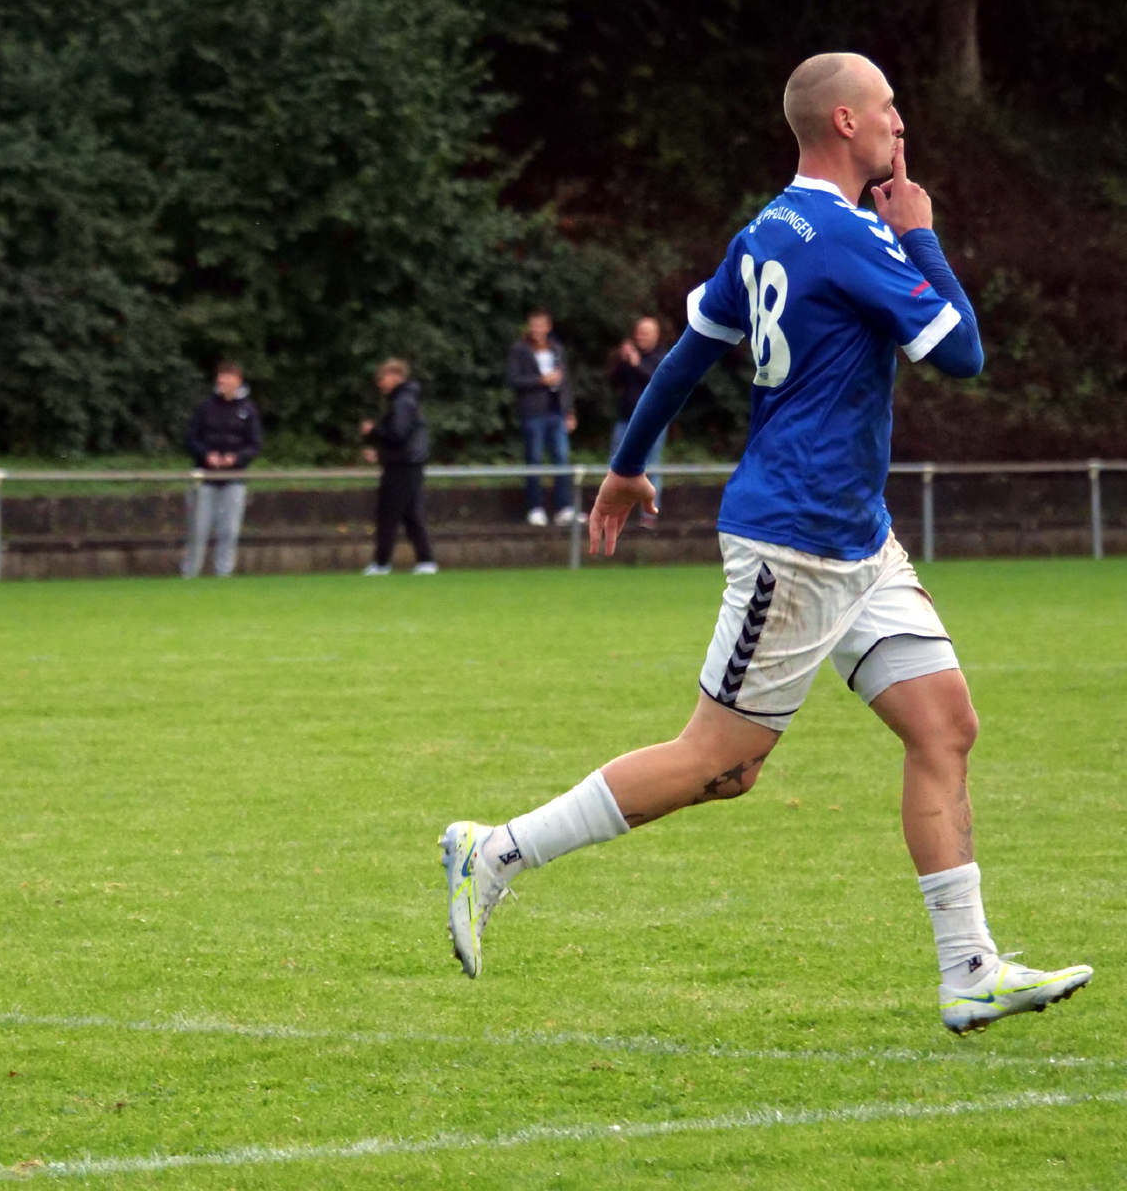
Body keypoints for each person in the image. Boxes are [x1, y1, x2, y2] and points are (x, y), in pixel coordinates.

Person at [439, 53, 1091, 1036]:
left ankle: (968, 970)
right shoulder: (854, 235)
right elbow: (962, 352)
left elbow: (687, 352)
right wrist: (921, 235)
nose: (899, 123)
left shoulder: (767, 229)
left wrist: (625, 466)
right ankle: (494, 850)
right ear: (843, 122)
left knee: (943, 725)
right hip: (795, 543)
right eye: (886, 108)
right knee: (720, 762)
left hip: (855, 538)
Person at [181, 361, 261, 579]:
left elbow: (255, 445)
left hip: (234, 479)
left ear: (238, 380)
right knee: (198, 530)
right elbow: (191, 438)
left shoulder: (248, 410)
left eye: (227, 376)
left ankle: (223, 575)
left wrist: (236, 458)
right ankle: (190, 575)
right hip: (205, 477)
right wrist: (207, 455)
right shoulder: (205, 407)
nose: (221, 380)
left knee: (229, 531)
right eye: (220, 376)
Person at [360, 359, 436, 575]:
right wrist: (381, 454)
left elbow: (397, 434)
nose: (379, 383)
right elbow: (405, 437)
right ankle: (426, 561)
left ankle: (381, 563)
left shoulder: (402, 402)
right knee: (411, 514)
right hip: (410, 463)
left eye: (382, 378)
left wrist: (373, 431)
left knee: (388, 513)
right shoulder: (408, 400)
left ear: (395, 376)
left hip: (402, 466)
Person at [508, 310, 576, 527]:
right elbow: (514, 380)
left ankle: (564, 507)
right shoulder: (520, 350)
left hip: (556, 411)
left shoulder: (556, 349)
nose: (537, 329)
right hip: (533, 413)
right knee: (534, 459)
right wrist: (541, 380)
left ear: (548, 327)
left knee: (562, 459)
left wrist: (569, 410)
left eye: (541, 325)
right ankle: (535, 507)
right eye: (533, 325)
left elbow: (564, 382)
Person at [609, 316, 670, 523]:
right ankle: (614, 510)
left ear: (656, 335)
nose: (640, 337)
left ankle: (649, 514)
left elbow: (657, 382)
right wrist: (621, 360)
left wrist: (636, 364)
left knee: (651, 466)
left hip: (653, 422)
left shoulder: (664, 357)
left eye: (645, 333)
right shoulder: (630, 356)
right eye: (638, 332)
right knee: (616, 465)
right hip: (626, 418)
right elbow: (614, 382)